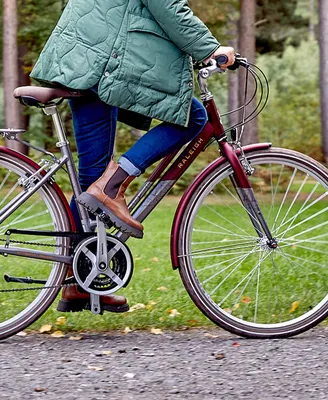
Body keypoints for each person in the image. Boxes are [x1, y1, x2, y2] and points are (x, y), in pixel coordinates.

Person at [29, 0, 236, 313]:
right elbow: (167, 8)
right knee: (194, 118)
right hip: (100, 58)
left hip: (86, 55)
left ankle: (77, 281)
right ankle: (113, 186)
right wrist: (210, 49)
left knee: (91, 180)